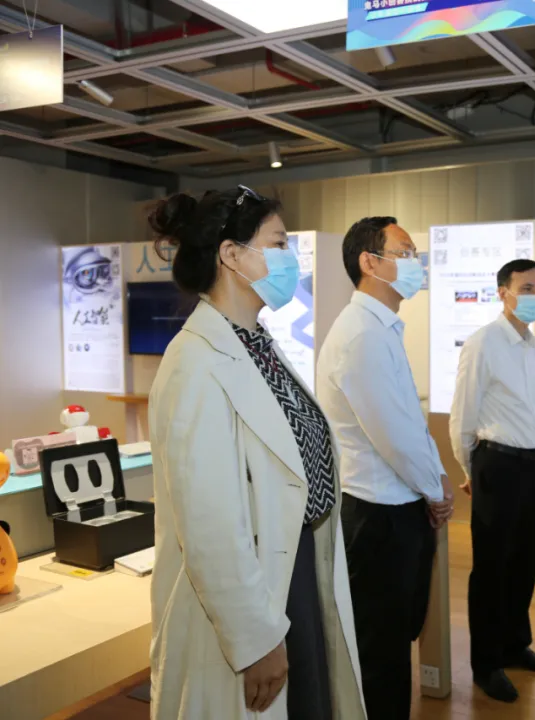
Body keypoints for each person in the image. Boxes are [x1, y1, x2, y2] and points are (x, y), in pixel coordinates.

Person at [147, 186, 366, 720]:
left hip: (294, 570)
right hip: (254, 594)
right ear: (231, 254)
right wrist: (254, 639)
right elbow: (209, 523)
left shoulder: (256, 344)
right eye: (279, 243)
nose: (291, 259)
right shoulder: (195, 362)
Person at [316, 216, 454, 720]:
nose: (417, 263)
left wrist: (435, 479)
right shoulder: (361, 335)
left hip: (395, 507)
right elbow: (392, 433)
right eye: (405, 252)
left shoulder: (380, 328)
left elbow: (408, 420)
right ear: (369, 263)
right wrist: (435, 489)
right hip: (376, 514)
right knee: (380, 654)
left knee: (394, 639)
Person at [449, 259, 535, 703]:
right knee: (492, 569)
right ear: (503, 292)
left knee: (523, 562)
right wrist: (469, 470)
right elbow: (463, 414)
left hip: (531, 465)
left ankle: (515, 645)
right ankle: (486, 663)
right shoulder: (484, 342)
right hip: (497, 465)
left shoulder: (528, 341)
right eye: (526, 287)